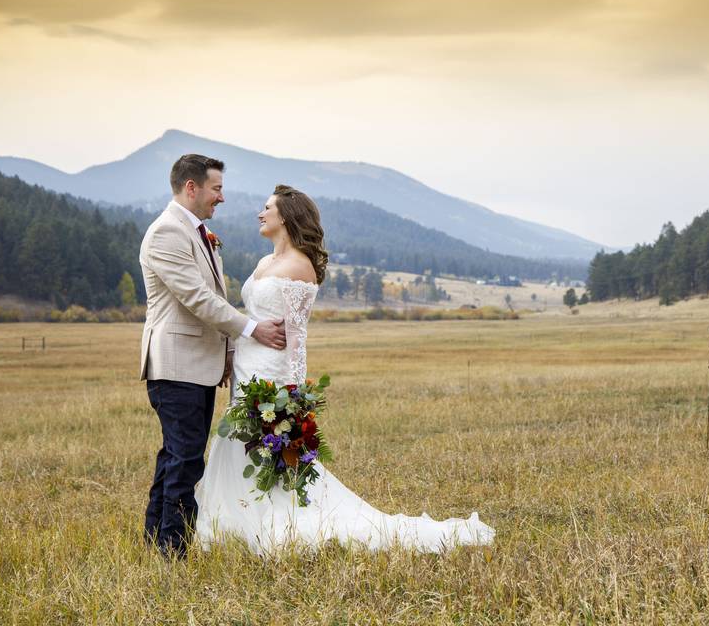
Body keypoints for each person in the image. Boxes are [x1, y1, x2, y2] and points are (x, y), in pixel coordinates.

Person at [195, 185, 495, 554]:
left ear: (286, 216)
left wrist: (292, 398)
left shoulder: (300, 267)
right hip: (246, 368)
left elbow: (297, 339)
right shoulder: (263, 263)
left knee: (269, 448)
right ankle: (237, 520)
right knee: (239, 444)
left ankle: (281, 521)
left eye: (267, 207)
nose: (261, 213)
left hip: (273, 371)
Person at [139, 154, 287, 558]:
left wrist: (227, 352)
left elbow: (211, 296)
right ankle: (174, 549)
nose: (221, 197)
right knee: (185, 459)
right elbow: (197, 298)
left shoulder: (199, 232)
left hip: (197, 365)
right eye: (216, 188)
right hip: (175, 364)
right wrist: (250, 328)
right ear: (192, 187)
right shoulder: (167, 233)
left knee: (176, 454)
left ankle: (157, 540)